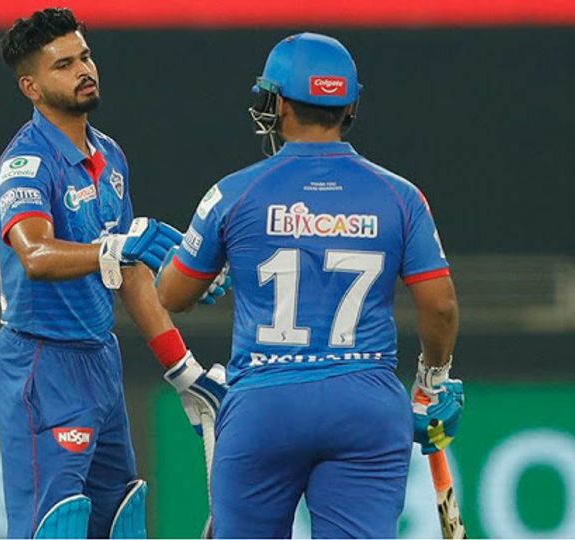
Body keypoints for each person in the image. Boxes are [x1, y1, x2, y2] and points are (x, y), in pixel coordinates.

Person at [157, 32, 463, 538]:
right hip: (365, 403)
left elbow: (173, 295)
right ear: (351, 105)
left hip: (265, 404)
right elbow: (441, 305)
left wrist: (192, 259)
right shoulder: (400, 196)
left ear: (278, 103)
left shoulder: (234, 192)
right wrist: (432, 383)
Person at [0, 9, 226, 539]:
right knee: (55, 527)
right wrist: (112, 248)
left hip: (99, 359)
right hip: (42, 361)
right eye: (63, 65)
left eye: (85, 57)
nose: (83, 70)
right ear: (31, 87)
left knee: (120, 520)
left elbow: (128, 271)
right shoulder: (26, 163)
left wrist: (182, 369)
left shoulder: (110, 157)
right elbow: (36, 255)